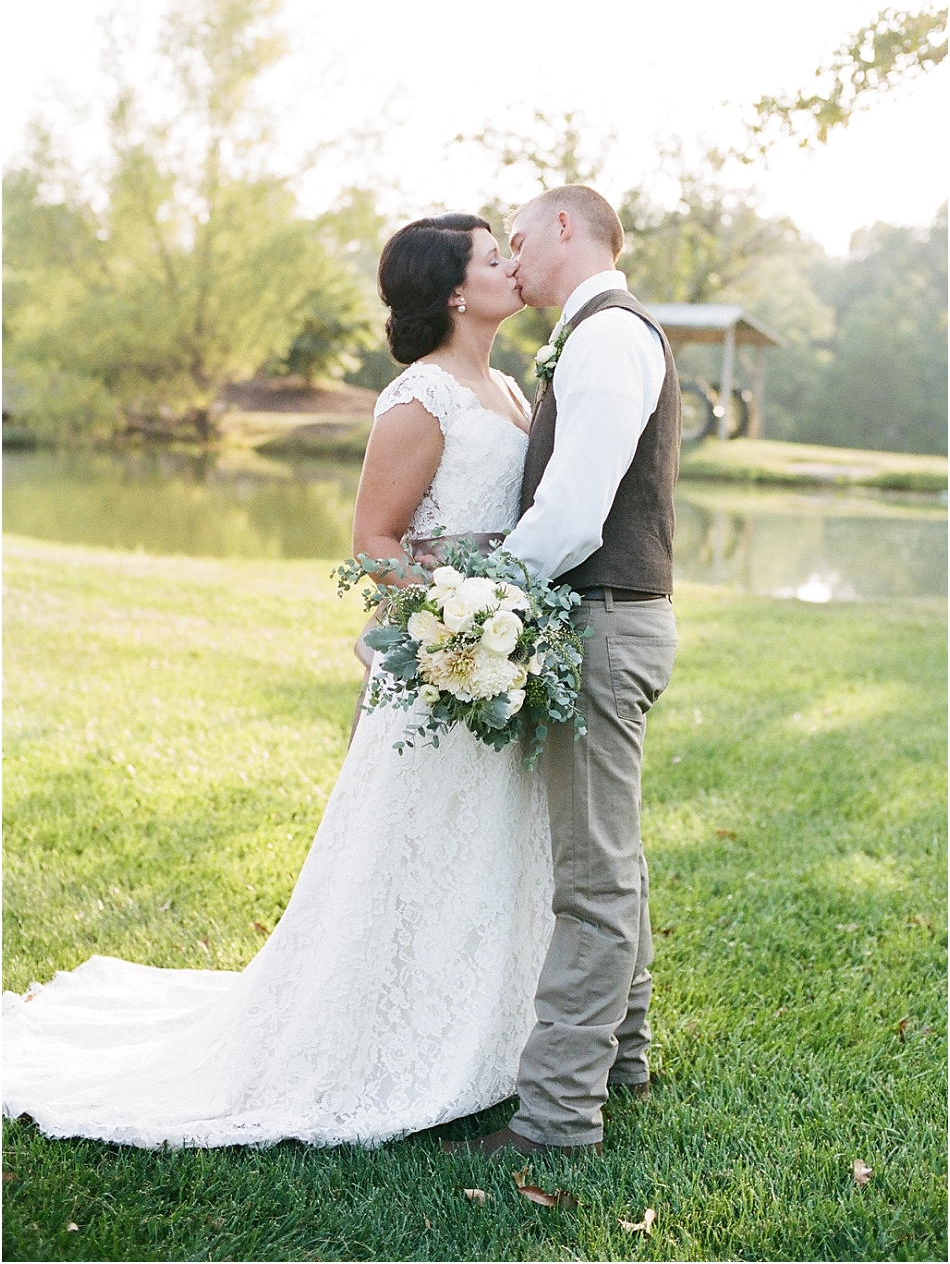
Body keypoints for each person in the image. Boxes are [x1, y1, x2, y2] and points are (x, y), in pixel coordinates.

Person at [2, 214, 555, 1149]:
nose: (514, 263)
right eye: (493, 254)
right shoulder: (422, 397)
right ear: (456, 291)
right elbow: (374, 546)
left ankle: (483, 1033)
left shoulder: (505, 386)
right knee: (409, 851)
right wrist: (456, 619)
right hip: (445, 659)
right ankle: (376, 1039)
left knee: (490, 846)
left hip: (502, 657)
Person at [443, 185, 680, 1158]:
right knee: (607, 860)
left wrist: (474, 600)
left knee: (589, 881)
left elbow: (577, 512)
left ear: (566, 230)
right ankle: (622, 1059)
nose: (513, 257)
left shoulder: (606, 338)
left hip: (601, 623)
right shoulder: (591, 335)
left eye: (520, 238)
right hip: (606, 618)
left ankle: (553, 1120)